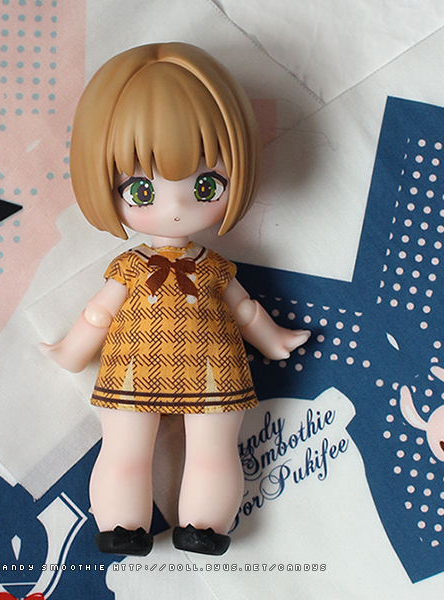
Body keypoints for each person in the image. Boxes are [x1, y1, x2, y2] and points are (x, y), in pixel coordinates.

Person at [41, 42, 310, 556]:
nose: (177, 206)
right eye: (142, 192)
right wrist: (72, 350)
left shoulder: (213, 266)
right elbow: (100, 312)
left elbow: (243, 309)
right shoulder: (132, 265)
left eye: (206, 185)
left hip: (189, 363)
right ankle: (122, 526)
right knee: (128, 447)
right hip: (152, 363)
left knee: (209, 446)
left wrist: (272, 339)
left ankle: (201, 526)